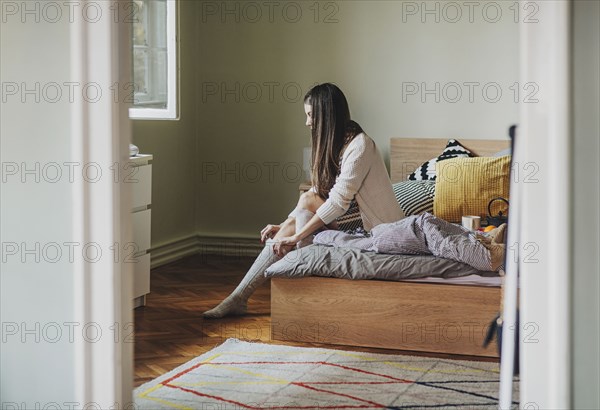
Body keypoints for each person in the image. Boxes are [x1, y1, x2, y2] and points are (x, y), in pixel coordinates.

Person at [203, 83, 404, 319]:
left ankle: (246, 297)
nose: (307, 122)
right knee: (302, 206)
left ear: (327, 114)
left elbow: (338, 202)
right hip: (354, 219)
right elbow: (322, 191)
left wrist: (297, 235)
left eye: (311, 115)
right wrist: (287, 224)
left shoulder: (361, 145)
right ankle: (241, 297)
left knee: (305, 203)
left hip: (377, 229)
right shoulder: (336, 142)